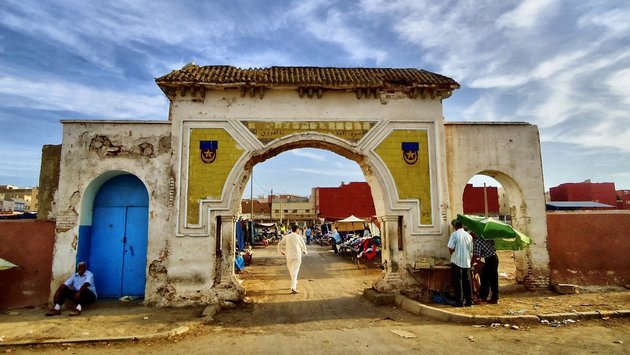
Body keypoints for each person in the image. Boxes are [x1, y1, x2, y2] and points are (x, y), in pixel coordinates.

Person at [448, 221, 473, 307]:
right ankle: (469, 301)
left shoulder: (454, 234)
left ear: (455, 227)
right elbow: (471, 250)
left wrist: (452, 253)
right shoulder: (469, 236)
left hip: (456, 260)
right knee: (467, 281)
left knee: (458, 282)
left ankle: (459, 302)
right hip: (466, 261)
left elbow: (450, 247)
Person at [277, 224, 308, 294]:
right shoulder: (298, 237)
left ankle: (294, 284)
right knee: (295, 271)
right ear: (297, 230)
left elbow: (280, 244)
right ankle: (293, 286)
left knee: (291, 270)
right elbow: (303, 244)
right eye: (298, 230)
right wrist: (305, 251)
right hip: (297, 255)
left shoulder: (287, 236)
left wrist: (281, 251)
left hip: (289, 256)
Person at [472, 232, 499, 304]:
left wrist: (471, 264)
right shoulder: (483, 236)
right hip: (494, 257)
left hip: (490, 260)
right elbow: (492, 244)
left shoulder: (476, 241)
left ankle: (482, 298)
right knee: (493, 279)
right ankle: (495, 298)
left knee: (485, 278)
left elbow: (476, 256)